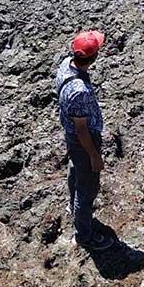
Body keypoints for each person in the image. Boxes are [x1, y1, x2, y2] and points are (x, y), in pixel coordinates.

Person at [54, 30, 113, 251]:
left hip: (71, 136)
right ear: (94, 57)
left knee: (75, 170)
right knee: (86, 190)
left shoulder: (65, 65)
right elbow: (82, 130)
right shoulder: (80, 91)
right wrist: (95, 156)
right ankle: (84, 235)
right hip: (83, 140)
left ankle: (73, 206)